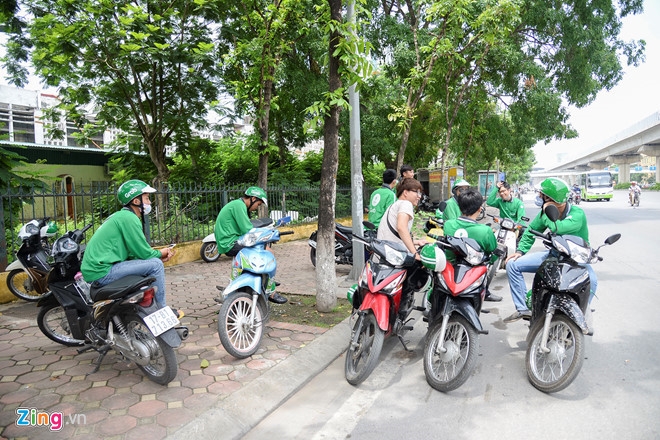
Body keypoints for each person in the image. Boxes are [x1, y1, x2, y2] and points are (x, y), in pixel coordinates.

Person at [81, 179, 182, 317]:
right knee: (156, 265)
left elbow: (134, 253)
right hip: (103, 271)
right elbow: (144, 252)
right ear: (136, 201)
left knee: (152, 264)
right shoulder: (129, 218)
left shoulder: (122, 216)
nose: (149, 202)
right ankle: (161, 311)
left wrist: (155, 256)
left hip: (100, 269)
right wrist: (160, 253)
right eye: (147, 198)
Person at [503, 177, 596, 323]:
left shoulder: (577, 214)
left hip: (576, 260)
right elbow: (531, 231)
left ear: (552, 199)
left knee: (593, 281)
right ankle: (523, 309)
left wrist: (547, 211)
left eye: (542, 195)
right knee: (512, 264)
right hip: (553, 255)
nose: (539, 197)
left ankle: (581, 314)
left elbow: (558, 227)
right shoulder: (544, 213)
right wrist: (520, 251)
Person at [214, 186, 287, 304]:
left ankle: (251, 282)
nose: (256, 208)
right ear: (253, 198)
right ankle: (271, 291)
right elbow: (247, 229)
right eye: (258, 204)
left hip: (229, 241)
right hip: (230, 242)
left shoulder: (237, 204)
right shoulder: (239, 206)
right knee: (268, 252)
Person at [377, 178, 429, 308]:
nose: (419, 196)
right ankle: (402, 310)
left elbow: (396, 233)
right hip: (395, 257)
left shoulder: (394, 205)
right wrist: (414, 253)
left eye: (420, 192)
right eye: (416, 192)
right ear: (405, 193)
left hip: (383, 254)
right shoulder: (406, 204)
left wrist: (416, 241)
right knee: (420, 270)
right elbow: (401, 227)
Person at [443, 188, 501, 302]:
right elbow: (493, 252)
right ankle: (486, 292)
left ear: (459, 207)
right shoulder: (485, 231)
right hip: (472, 273)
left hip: (448, 269)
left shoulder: (448, 225)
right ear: (480, 209)